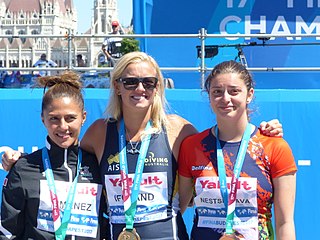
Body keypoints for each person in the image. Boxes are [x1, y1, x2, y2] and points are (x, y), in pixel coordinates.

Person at [1, 52, 283, 239]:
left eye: (148, 82)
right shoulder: (100, 132)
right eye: (131, 81)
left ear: (157, 87)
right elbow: (65, 164)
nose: (140, 89)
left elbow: (224, 155)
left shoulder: (177, 128)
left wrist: (263, 131)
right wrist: (22, 163)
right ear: (117, 86)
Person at [178, 60, 297, 240]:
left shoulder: (274, 147)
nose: (225, 98)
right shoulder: (192, 146)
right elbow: (176, 208)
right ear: (209, 96)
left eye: (234, 91)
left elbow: (285, 223)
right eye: (217, 92)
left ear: (249, 95)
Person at [0, 71, 104, 239]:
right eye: (54, 119)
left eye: (70, 118)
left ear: (83, 117)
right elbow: (7, 233)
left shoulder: (98, 165)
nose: (63, 127)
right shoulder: (23, 169)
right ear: (43, 119)